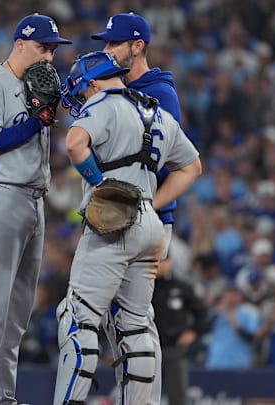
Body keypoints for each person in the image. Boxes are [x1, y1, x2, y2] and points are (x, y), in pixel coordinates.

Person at [54, 51, 201, 404]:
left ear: (92, 83)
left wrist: (97, 181)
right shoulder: (156, 110)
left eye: (82, 91)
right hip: (150, 224)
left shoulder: (103, 102)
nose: (82, 98)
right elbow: (193, 166)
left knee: (78, 318)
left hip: (113, 220)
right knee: (135, 327)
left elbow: (74, 144)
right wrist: (152, 204)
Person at [0, 13, 71, 405]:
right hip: (0, 196)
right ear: (20, 43)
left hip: (33, 200)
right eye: (44, 48)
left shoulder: (38, 83)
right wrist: (34, 122)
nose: (49, 57)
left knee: (18, 314)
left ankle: (2, 396)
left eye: (53, 50)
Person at [91, 12, 184, 404]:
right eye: (106, 43)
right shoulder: (116, 88)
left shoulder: (158, 91)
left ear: (138, 46)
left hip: (149, 217)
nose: (108, 50)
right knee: (126, 319)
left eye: (115, 44)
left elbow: (172, 160)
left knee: (137, 319)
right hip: (123, 218)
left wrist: (148, 210)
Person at [151, 257, 209, 405]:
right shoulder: (144, 287)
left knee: (177, 397)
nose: (158, 265)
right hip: (148, 348)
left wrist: (193, 331)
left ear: (169, 262)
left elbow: (201, 312)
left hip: (174, 348)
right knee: (145, 396)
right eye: (155, 261)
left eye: (162, 261)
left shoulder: (181, 286)